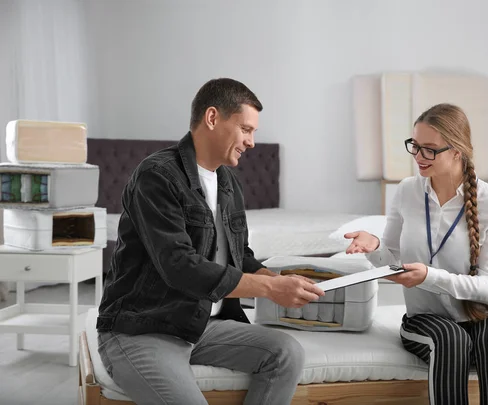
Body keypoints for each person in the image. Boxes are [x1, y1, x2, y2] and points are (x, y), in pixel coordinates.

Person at [96, 78, 325, 405]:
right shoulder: (156, 176)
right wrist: (270, 290)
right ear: (213, 118)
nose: (252, 142)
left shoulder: (229, 181)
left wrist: (278, 281)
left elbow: (239, 254)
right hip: (143, 328)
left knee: (286, 353)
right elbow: (179, 266)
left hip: (200, 324)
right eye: (246, 129)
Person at [345, 103, 488, 405]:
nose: (418, 157)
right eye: (415, 146)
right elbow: (392, 260)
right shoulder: (406, 191)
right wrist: (374, 246)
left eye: (429, 149)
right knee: (451, 341)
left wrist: (429, 277)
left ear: (457, 151)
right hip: (426, 317)